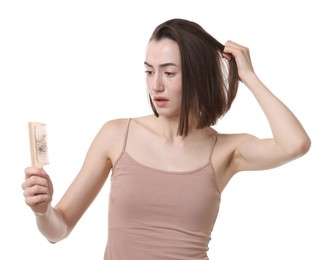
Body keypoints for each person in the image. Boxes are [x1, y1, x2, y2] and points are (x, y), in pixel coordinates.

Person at [22, 18, 311, 259]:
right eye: (149, 71)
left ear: (198, 75)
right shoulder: (116, 135)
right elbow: (58, 231)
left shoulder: (225, 150)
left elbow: (295, 144)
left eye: (169, 72)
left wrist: (248, 76)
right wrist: (44, 210)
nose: (155, 85)